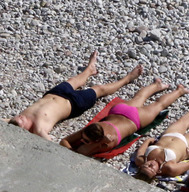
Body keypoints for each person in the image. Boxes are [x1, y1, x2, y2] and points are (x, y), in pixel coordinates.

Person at [8, 52, 143, 140]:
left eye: (17, 117)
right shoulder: (38, 127)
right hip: (73, 104)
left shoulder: (15, 121)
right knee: (99, 89)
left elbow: (0, 121)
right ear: (24, 129)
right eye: (20, 120)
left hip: (54, 93)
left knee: (74, 80)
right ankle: (127, 79)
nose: (20, 116)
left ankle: (89, 69)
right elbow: (47, 140)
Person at [59, 79, 188, 158]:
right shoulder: (92, 131)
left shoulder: (103, 143)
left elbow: (78, 149)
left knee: (158, 105)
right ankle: (157, 85)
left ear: (96, 140)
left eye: (86, 141)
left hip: (133, 118)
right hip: (120, 112)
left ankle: (178, 91)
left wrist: (73, 149)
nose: (82, 140)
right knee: (141, 99)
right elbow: (63, 141)